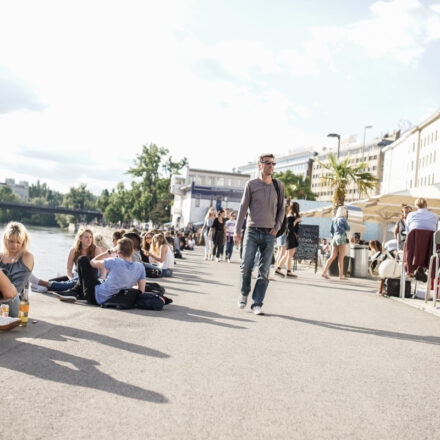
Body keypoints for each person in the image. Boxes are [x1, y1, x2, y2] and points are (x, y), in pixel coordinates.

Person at [234, 153, 285, 315]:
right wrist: (237, 231)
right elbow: (243, 208)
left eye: (273, 163)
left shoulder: (278, 186)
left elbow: (282, 209)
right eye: (267, 163)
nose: (271, 166)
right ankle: (244, 293)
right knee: (246, 266)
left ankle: (257, 303)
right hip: (252, 231)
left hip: (270, 233)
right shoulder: (251, 184)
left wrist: (276, 228)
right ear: (260, 166)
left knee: (264, 271)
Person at [32, 228, 103, 294]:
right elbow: (69, 270)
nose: (89, 239)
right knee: (70, 284)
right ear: (80, 238)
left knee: (69, 284)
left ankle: (40, 283)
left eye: (91, 237)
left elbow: (102, 269)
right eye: (86, 237)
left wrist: (102, 279)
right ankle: (42, 286)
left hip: (92, 277)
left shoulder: (96, 250)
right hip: (77, 277)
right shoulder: (73, 250)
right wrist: (71, 279)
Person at [0, 222, 34, 317]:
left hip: (16, 304)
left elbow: (14, 291)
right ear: (5, 239)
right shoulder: (0, 256)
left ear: (23, 242)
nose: (14, 245)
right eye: (11, 241)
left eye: (18, 242)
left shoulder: (27, 256)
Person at [321, 206, 350, 280]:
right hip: (341, 237)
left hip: (334, 238)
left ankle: (324, 272)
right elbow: (348, 228)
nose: (346, 213)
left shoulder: (334, 220)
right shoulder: (343, 219)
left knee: (332, 256)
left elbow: (331, 230)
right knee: (341, 257)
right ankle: (341, 275)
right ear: (343, 212)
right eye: (346, 212)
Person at [285, 202, 302, 278]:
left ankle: (288, 270)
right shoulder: (290, 216)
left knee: (290, 254)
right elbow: (290, 228)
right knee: (289, 255)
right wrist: (296, 221)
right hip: (290, 236)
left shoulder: (292, 215)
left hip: (293, 236)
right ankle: (288, 271)